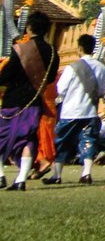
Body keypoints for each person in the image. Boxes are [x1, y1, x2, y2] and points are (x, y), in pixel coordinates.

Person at [0, 11, 60, 191]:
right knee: (28, 139)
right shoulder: (52, 52)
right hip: (34, 101)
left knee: (2, 137)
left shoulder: (21, 49)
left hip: (13, 101)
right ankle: (20, 180)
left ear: (29, 27)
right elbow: (50, 79)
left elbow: (6, 76)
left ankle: (1, 176)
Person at [44, 34, 105, 186]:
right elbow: (101, 91)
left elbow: (61, 89)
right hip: (90, 111)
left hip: (70, 111)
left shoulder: (72, 68)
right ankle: (86, 173)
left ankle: (57, 175)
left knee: (61, 142)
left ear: (79, 48)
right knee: (88, 141)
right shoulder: (102, 68)